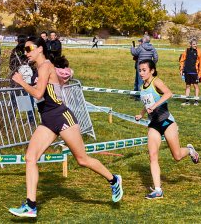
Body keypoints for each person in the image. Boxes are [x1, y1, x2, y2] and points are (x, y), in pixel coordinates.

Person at [9, 38, 123, 218]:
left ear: (40, 49)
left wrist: (21, 82)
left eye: (29, 48)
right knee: (30, 157)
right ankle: (30, 205)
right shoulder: (40, 68)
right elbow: (48, 91)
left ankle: (114, 179)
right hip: (47, 119)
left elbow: (38, 93)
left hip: (62, 116)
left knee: (82, 160)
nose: (26, 52)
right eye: (24, 49)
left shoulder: (45, 66)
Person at [135, 59, 199, 199]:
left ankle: (190, 150)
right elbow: (148, 103)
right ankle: (158, 190)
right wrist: (141, 113)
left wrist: (155, 105)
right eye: (140, 70)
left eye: (144, 70)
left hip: (167, 122)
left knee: (176, 156)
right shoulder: (143, 86)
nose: (141, 73)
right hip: (154, 125)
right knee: (152, 155)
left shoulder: (156, 81)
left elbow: (169, 93)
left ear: (152, 70)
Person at [179, 39, 201, 106]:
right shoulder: (186, 50)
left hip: (194, 72)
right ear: (190, 45)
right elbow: (182, 60)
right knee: (187, 86)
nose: (195, 45)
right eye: (193, 44)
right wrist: (181, 69)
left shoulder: (199, 52)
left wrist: (200, 73)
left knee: (195, 86)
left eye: (196, 44)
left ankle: (196, 101)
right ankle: (187, 101)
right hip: (187, 71)